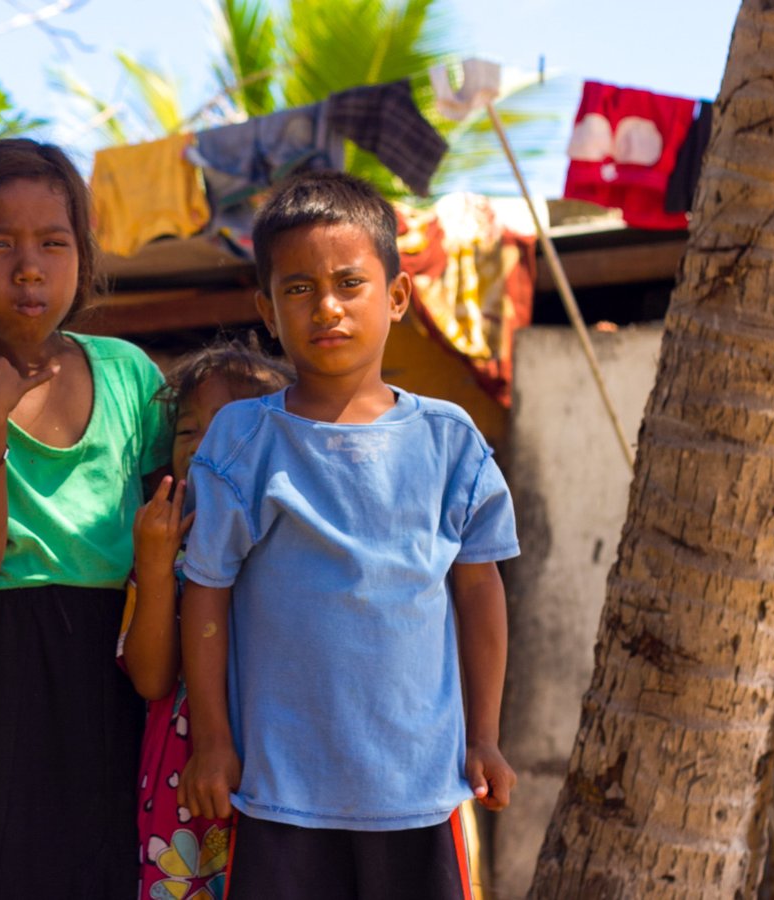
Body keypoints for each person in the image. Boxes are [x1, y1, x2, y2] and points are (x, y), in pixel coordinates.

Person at [177, 170, 519, 900]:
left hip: (420, 789)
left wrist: (484, 737)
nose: (325, 307)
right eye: (297, 289)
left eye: (348, 283)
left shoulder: (448, 441)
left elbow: (479, 589)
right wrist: (212, 742)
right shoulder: (244, 441)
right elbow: (204, 594)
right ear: (267, 310)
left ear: (396, 297)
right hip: (280, 790)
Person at [0, 138, 173, 900]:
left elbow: (169, 532)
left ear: (82, 255)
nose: (28, 267)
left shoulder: (130, 375)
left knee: (116, 862)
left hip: (120, 659)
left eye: (54, 243)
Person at [121, 339, 293, 900]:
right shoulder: (162, 545)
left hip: (284, 768)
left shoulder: (293, 540)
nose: (199, 447)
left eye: (225, 425)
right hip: (186, 776)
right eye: (188, 431)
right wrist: (152, 565)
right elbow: (150, 678)